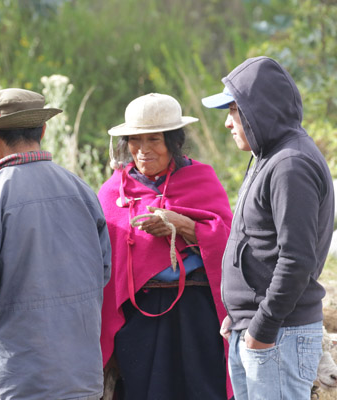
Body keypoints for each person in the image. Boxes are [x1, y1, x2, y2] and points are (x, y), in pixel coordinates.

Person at [0, 88, 112, 399]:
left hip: (16, 379)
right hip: (80, 376)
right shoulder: (82, 190)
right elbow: (103, 272)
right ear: (43, 130)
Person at [202, 56, 335, 399]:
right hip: (258, 330)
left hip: (278, 336)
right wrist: (240, 314)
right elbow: (259, 244)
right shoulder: (268, 156)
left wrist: (262, 325)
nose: (228, 124)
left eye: (233, 111)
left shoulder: (291, 165)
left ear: (256, 110)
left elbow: (297, 259)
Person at [99, 93, 234, 399]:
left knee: (202, 389)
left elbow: (231, 243)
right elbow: (103, 260)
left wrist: (185, 226)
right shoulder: (112, 192)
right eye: (135, 140)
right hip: (139, 316)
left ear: (174, 141)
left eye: (154, 140)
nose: (143, 150)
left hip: (197, 310)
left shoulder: (201, 181)